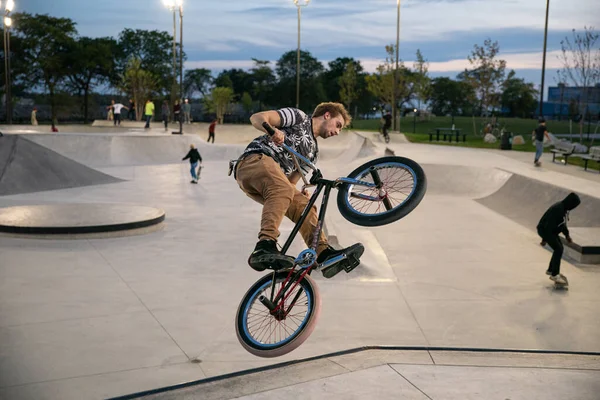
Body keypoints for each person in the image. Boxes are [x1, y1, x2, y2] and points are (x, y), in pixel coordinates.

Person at [232, 102, 363, 277]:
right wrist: (272, 131)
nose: (337, 132)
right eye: (338, 125)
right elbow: (257, 118)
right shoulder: (298, 117)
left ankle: (323, 253)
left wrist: (296, 193)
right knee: (282, 189)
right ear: (327, 115)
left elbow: (289, 183)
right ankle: (264, 246)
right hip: (255, 160)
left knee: (304, 206)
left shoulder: (313, 154)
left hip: (269, 181)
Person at [537, 192, 581, 285]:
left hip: (551, 230)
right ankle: (554, 274)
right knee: (558, 249)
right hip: (545, 230)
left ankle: (551, 269)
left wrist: (567, 236)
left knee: (560, 247)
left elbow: (562, 224)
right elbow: (548, 225)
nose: (573, 208)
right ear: (570, 203)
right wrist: (544, 239)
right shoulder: (558, 210)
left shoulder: (564, 208)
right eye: (574, 206)